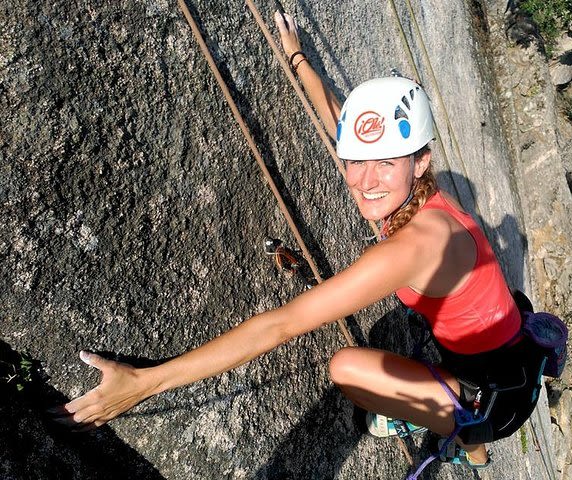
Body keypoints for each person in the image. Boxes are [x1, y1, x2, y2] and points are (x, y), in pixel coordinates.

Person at [52, 10, 546, 473]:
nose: (363, 180)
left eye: (385, 164)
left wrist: (145, 382)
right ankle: (463, 433)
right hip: (500, 355)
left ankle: (470, 446)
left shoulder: (414, 245)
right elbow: (340, 119)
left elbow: (284, 325)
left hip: (498, 396)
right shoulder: (418, 191)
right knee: (434, 373)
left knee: (347, 369)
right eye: (355, 161)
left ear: (420, 161)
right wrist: (297, 57)